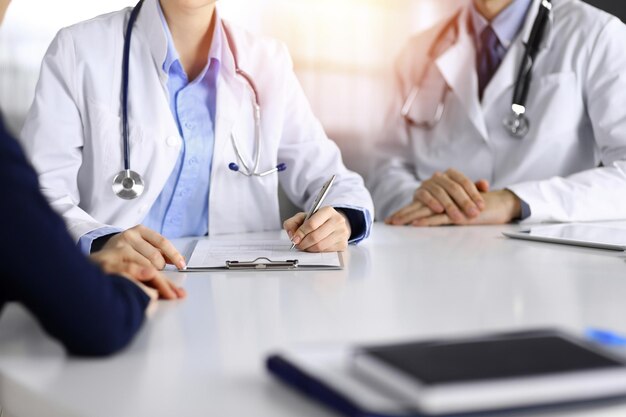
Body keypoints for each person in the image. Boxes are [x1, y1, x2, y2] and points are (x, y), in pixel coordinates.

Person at [20, 0, 373, 267]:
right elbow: (37, 193)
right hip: (122, 286)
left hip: (243, 298)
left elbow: (334, 180)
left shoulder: (267, 61)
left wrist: (340, 219)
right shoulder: (79, 49)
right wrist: (100, 240)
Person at [0, 0, 185, 357]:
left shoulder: (265, 58)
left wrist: (72, 273)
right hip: (148, 299)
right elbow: (100, 321)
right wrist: (119, 277)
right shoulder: (79, 46)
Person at [369, 0, 626, 227]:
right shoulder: (418, 51)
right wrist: (421, 199)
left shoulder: (596, 35)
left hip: (544, 258)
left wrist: (513, 201)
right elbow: (385, 171)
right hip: (431, 249)